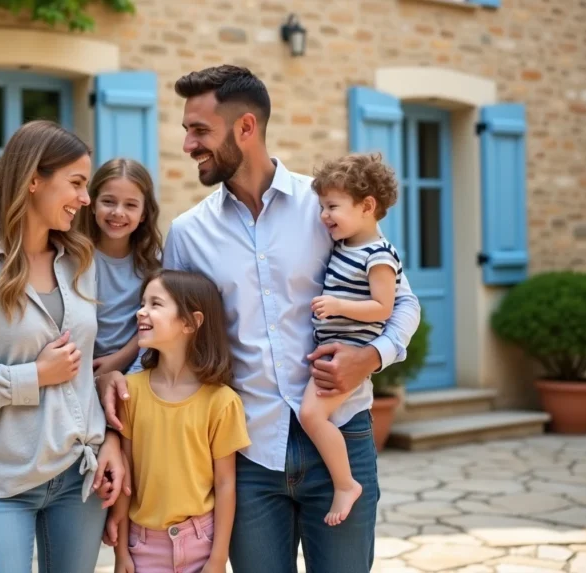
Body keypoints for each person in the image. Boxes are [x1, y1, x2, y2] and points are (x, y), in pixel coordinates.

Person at [98, 66, 421, 573]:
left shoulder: (326, 208)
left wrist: (373, 356)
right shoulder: (189, 233)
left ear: (245, 128)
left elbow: (403, 302)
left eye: (199, 130)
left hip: (341, 437)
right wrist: (118, 429)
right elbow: (160, 346)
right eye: (187, 130)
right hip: (247, 455)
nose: (187, 144)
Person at [0, 120, 126, 573]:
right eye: (76, 183)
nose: (86, 199)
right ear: (33, 179)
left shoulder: (80, 261)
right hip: (1, 482)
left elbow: (89, 366)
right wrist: (33, 376)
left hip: (78, 478)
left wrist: (112, 439)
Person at [107, 269, 251, 573]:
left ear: (191, 322)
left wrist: (217, 558)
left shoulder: (222, 401)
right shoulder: (129, 392)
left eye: (155, 304)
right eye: (142, 302)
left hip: (201, 544)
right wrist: (122, 554)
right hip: (142, 547)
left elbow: (225, 484)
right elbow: (126, 479)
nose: (141, 312)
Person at [300, 153, 404, 527]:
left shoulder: (378, 256)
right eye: (322, 206)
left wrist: (339, 305)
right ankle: (343, 481)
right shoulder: (344, 246)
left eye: (333, 206)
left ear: (367, 206)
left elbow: (382, 307)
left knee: (311, 414)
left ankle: (345, 484)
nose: (324, 215)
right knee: (312, 413)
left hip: (349, 355)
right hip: (331, 350)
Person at [77, 158, 163, 376]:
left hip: (137, 369)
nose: (118, 212)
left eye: (131, 205)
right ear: (92, 203)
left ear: (144, 213)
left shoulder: (152, 263)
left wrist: (118, 359)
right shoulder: (74, 257)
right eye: (108, 201)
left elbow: (153, 320)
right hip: (80, 370)